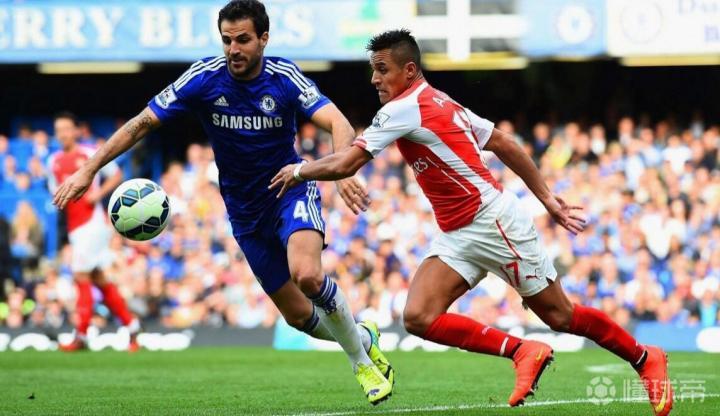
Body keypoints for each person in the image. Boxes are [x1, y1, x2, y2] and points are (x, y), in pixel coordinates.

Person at [270, 29, 673, 415]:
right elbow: (503, 142)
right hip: (458, 232)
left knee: (559, 316)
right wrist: (546, 199)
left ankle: (644, 357)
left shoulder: (402, 109)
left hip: (493, 223)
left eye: (382, 69)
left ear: (408, 71)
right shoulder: (439, 100)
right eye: (373, 70)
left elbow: (348, 162)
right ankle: (523, 351)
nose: (374, 79)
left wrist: (300, 170)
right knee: (418, 316)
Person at [52, 0, 393, 405]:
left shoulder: (283, 77)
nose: (234, 49)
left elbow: (337, 121)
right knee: (300, 316)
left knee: (308, 276)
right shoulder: (204, 78)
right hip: (244, 212)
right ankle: (364, 337)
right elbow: (142, 122)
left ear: (264, 38)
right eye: (227, 40)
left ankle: (361, 363)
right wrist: (89, 168)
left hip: (289, 189)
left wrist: (343, 170)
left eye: (243, 40)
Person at [48, 112, 142, 352]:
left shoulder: (90, 154)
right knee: (99, 279)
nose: (62, 134)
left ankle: (81, 335)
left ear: (76, 131)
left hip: (92, 224)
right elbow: (55, 192)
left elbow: (116, 174)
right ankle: (132, 327)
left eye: (66, 129)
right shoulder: (53, 161)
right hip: (75, 226)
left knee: (80, 276)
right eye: (58, 130)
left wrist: (97, 194)